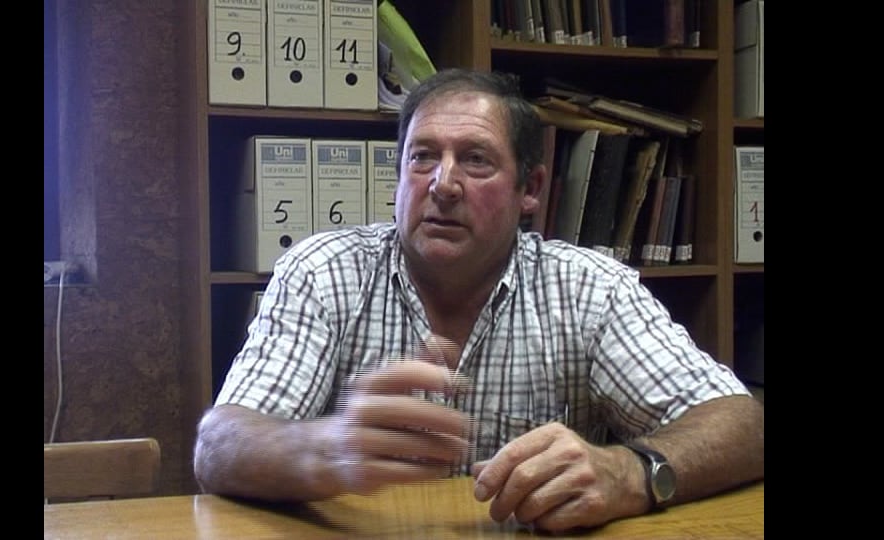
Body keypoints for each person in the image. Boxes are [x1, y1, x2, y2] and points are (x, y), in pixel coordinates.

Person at [194, 68, 765, 533]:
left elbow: (744, 426)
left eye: (476, 160)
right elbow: (218, 445)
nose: (442, 184)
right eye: (422, 157)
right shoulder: (324, 272)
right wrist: (323, 448)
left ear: (530, 190)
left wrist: (630, 472)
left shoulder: (589, 288)